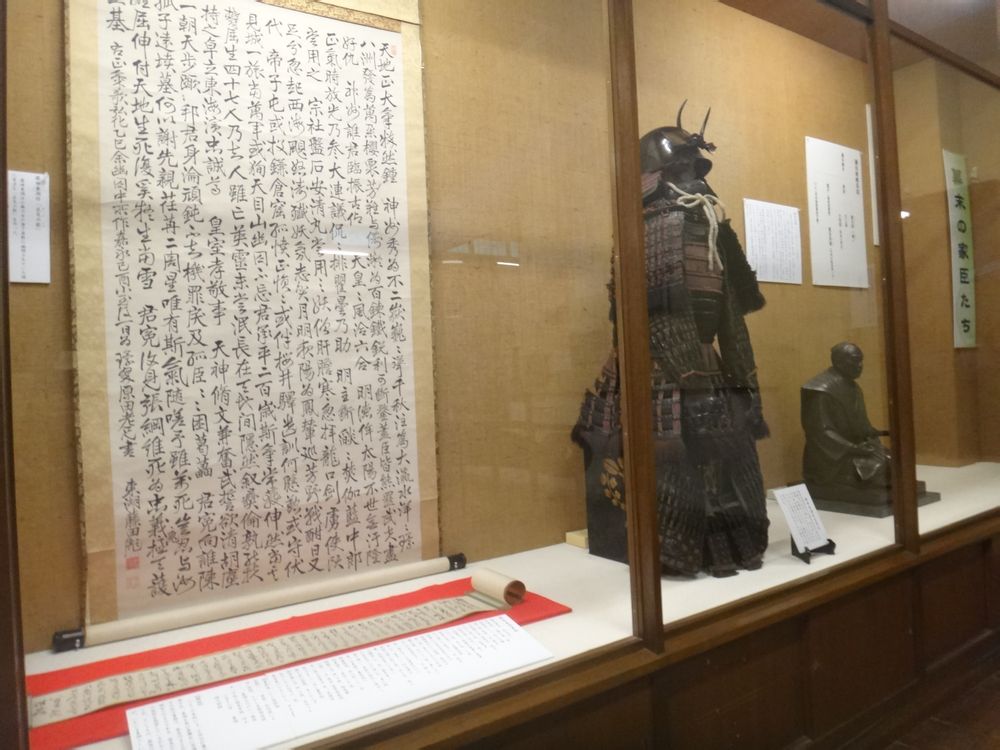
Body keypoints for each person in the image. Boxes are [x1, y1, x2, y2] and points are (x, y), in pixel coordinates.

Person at [573, 102, 770, 578]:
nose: (693, 178)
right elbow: (645, 314)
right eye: (680, 168)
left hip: (706, 362)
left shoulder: (713, 227)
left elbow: (730, 313)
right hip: (657, 369)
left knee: (726, 459)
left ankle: (727, 542)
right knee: (672, 465)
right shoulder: (643, 231)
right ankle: (679, 547)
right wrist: (688, 370)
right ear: (656, 175)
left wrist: (743, 379)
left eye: (694, 168)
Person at [801, 342, 890, 501]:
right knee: (884, 468)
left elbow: (860, 426)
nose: (860, 365)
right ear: (838, 361)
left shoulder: (853, 387)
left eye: (861, 360)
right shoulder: (820, 390)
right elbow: (820, 432)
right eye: (855, 360)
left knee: (894, 460)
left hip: (856, 449)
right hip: (832, 458)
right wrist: (854, 448)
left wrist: (880, 432)